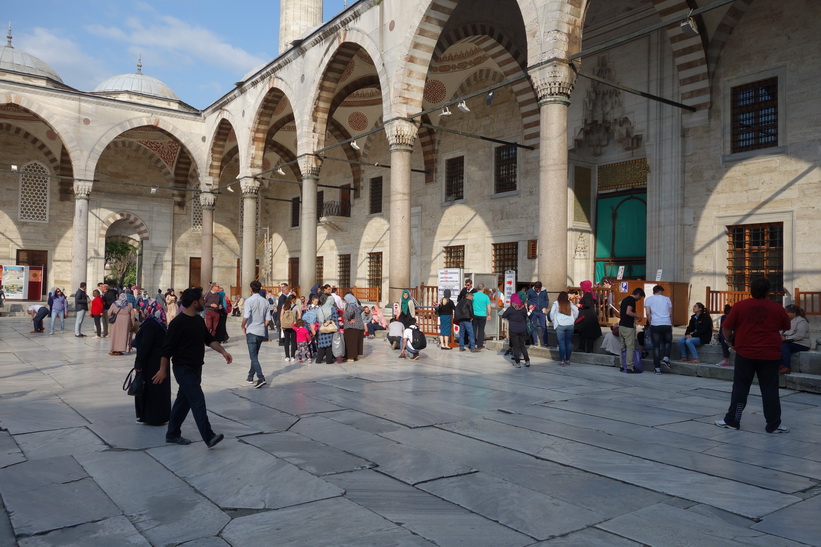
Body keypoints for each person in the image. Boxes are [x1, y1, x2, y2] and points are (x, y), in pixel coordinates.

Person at [153, 287, 232, 447]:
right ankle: (208, 437)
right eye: (202, 299)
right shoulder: (177, 323)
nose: (205, 301)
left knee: (184, 401)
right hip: (183, 367)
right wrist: (162, 369)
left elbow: (209, 339)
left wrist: (223, 352)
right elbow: (167, 349)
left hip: (196, 367)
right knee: (197, 400)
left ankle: (172, 433)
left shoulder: (197, 320)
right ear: (195, 302)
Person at [716, 278, 790, 433]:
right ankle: (773, 424)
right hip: (770, 354)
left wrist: (729, 342)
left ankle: (733, 420)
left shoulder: (740, 306)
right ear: (768, 291)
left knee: (740, 388)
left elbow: (726, 327)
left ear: (751, 290)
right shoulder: (776, 308)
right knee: (770, 390)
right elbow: (785, 327)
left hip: (745, 353)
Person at [134, 299, 171, 425]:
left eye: (142, 308)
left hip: (150, 363)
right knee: (159, 389)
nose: (141, 311)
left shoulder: (150, 324)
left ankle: (151, 416)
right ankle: (160, 415)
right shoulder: (160, 323)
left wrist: (138, 363)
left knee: (149, 389)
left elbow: (145, 346)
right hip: (160, 362)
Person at [241, 280, 270, 388]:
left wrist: (243, 325)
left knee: (253, 357)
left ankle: (261, 377)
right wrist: (262, 326)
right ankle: (250, 376)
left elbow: (246, 315)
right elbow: (267, 320)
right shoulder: (265, 301)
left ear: (251, 289)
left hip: (252, 330)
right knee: (255, 356)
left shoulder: (249, 300)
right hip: (261, 331)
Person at [644, 284, 673, 374]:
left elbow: (648, 313)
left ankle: (657, 368)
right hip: (666, 323)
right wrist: (670, 323)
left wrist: (650, 322)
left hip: (655, 324)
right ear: (660, 291)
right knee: (668, 341)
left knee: (656, 346)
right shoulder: (667, 299)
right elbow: (670, 313)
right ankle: (666, 358)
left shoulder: (648, 299)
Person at [618, 288, 645, 373]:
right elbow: (628, 312)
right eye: (640, 297)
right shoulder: (631, 300)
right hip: (628, 326)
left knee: (622, 347)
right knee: (630, 347)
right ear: (637, 294)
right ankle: (630, 367)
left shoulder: (624, 299)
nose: (639, 299)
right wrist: (638, 317)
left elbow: (621, 310)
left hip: (621, 325)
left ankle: (622, 366)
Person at [779, 304, 811, 374]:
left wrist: (786, 339)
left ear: (794, 313)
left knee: (785, 346)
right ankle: (779, 365)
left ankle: (787, 366)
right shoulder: (787, 320)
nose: (786, 314)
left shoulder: (801, 321)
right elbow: (781, 330)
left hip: (801, 343)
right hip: (788, 341)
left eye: (788, 312)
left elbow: (800, 335)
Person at [502, 293, 531, 367]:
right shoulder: (523, 308)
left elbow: (503, 315)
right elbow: (526, 316)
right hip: (522, 329)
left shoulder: (510, 309)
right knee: (522, 346)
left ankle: (517, 363)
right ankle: (527, 361)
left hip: (513, 330)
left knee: (515, 346)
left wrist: (510, 317)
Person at [551, 291, 578, 366]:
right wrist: (573, 319)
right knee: (568, 342)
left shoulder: (556, 303)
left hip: (560, 324)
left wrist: (554, 321)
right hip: (570, 324)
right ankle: (568, 360)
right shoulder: (569, 303)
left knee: (561, 343)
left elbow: (552, 313)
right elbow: (576, 311)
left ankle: (562, 360)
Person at [574, 280, 602, 352]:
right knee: (590, 334)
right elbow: (592, 302)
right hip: (591, 316)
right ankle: (589, 349)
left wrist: (580, 305)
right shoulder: (591, 293)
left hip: (586, 316)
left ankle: (582, 348)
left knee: (582, 332)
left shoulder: (587, 294)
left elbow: (588, 304)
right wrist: (581, 298)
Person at [314, 294, 338, 364]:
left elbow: (317, 318)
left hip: (321, 328)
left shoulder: (320, 308)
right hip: (329, 328)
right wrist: (337, 328)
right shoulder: (332, 308)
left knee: (321, 344)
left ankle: (318, 359)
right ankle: (329, 360)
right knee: (329, 344)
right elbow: (335, 319)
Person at [526, 281, 550, 347]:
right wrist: (530, 304)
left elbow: (546, 299)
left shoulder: (544, 291)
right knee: (534, 326)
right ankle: (535, 342)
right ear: (535, 287)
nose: (538, 290)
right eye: (537, 288)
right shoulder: (530, 291)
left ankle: (545, 342)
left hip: (542, 311)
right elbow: (527, 299)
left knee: (544, 327)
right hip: (534, 311)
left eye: (539, 288)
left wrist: (545, 306)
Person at [343, 292, 364, 362]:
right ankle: (355, 356)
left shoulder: (350, 306)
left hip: (351, 326)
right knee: (355, 342)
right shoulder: (357, 306)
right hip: (359, 326)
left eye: (346, 299)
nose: (345, 301)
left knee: (350, 342)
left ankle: (350, 357)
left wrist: (346, 318)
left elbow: (348, 314)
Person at [280, 293, 300, 361]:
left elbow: (281, 315)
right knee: (293, 341)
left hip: (285, 325)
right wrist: (297, 322)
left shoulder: (284, 305)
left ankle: (287, 356)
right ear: (293, 299)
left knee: (286, 341)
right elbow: (299, 315)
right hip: (293, 325)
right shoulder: (296, 306)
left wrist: (282, 324)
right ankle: (293, 356)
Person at [472, 284, 492, 349]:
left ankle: (472, 343)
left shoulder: (473, 295)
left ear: (477, 289)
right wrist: (489, 315)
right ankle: (479, 344)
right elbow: (489, 307)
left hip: (474, 314)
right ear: (483, 289)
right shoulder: (486, 297)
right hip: (483, 315)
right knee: (481, 330)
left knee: (473, 329)